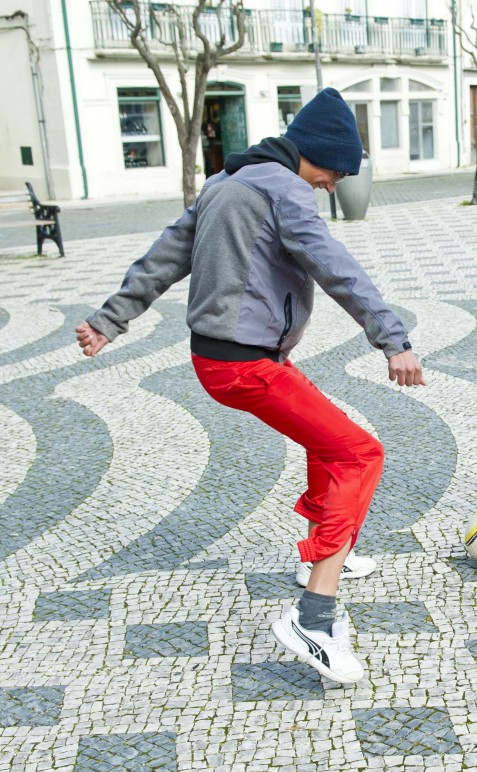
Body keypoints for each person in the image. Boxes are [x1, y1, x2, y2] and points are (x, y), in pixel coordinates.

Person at [75, 88, 424, 684]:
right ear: (315, 155)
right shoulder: (285, 191)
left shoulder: (222, 183)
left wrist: (109, 319)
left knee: (327, 441)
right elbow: (337, 268)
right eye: (337, 171)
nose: (334, 184)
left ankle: (321, 553)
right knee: (360, 452)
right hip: (246, 366)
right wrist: (393, 339)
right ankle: (314, 617)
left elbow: (163, 257)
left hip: (219, 360)